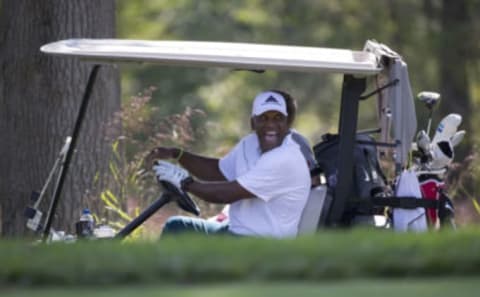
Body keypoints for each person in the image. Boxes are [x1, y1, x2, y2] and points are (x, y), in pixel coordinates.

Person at [146, 90, 311, 238]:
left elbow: (226, 194)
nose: (271, 125)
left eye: (278, 118)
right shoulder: (250, 144)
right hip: (234, 231)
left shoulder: (285, 158)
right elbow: (217, 170)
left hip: (262, 244)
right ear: (253, 122)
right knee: (178, 227)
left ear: (287, 123)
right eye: (264, 118)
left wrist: (185, 183)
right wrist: (178, 154)